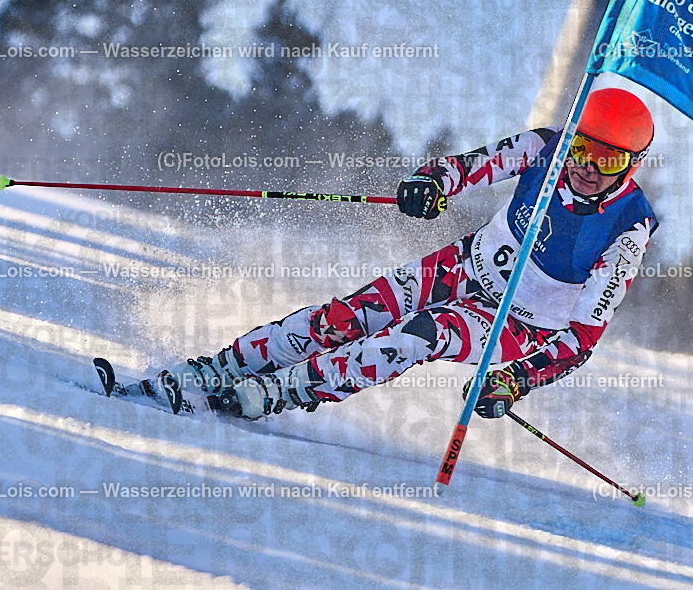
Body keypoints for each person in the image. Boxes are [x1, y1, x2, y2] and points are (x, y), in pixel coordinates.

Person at [166, 87, 658, 420]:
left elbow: (583, 337)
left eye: (609, 159)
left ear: (632, 165)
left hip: (517, 322)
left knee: (423, 334)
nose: (588, 168)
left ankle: (286, 390)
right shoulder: (544, 147)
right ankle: (225, 365)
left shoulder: (627, 231)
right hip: (466, 265)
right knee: (346, 317)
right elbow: (470, 166)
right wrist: (431, 183)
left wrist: (515, 379)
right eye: (581, 150)